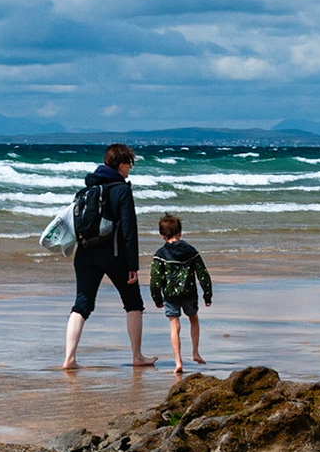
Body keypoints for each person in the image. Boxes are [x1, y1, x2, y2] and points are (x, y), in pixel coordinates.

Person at [60, 143, 154, 370]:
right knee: (133, 303)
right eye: (129, 165)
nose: (129, 170)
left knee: (82, 304)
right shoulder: (122, 190)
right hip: (114, 255)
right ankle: (137, 356)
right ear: (121, 165)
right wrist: (133, 265)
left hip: (84, 254)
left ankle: (69, 359)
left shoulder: (86, 191)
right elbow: (128, 231)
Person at [147, 213, 213, 375]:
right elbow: (202, 273)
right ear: (180, 233)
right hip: (189, 293)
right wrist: (207, 294)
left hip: (170, 295)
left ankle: (178, 361)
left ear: (162, 236)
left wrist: (156, 298)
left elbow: (155, 278)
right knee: (193, 319)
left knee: (174, 326)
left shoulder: (160, 254)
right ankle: (195, 352)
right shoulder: (191, 251)